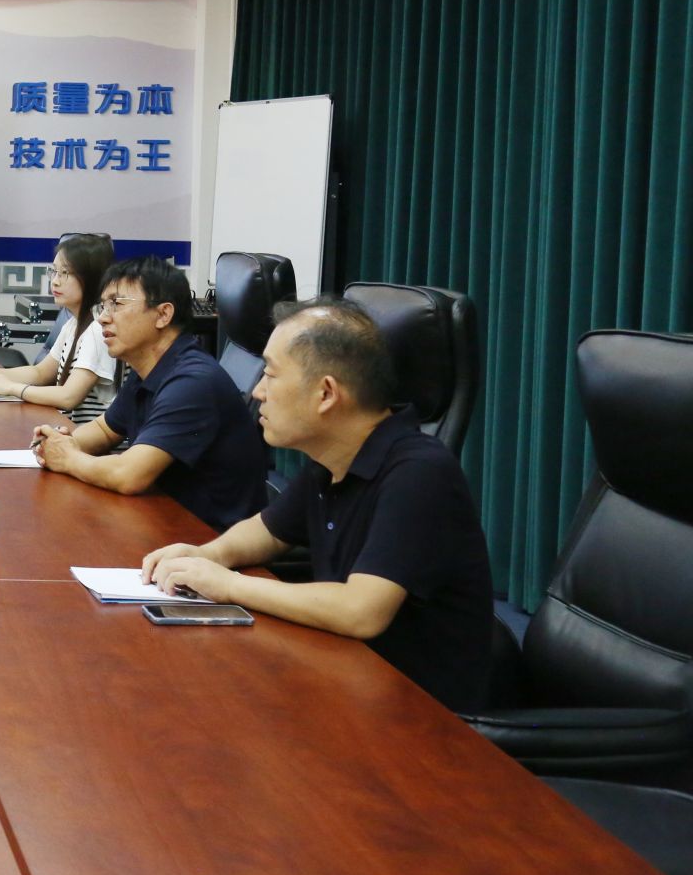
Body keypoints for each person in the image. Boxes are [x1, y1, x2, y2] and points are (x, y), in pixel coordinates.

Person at [141, 296, 495, 712]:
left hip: (420, 712)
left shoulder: (419, 472)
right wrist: (208, 555)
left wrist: (229, 586)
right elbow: (267, 531)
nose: (257, 391)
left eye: (271, 374)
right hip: (348, 676)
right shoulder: (332, 459)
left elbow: (361, 611)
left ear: (326, 393)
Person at [30, 256, 269, 529]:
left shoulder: (192, 381)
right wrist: (60, 442)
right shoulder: (147, 368)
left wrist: (68, 458)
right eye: (103, 306)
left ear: (163, 314)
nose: (103, 318)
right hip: (163, 519)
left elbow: (129, 475)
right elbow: (105, 431)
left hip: (207, 536)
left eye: (117, 304)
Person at [0, 233, 118, 422]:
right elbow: (40, 372)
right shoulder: (74, 324)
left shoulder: (98, 329)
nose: (55, 281)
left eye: (65, 273)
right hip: (65, 430)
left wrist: (12, 388)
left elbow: (68, 397)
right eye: (54, 271)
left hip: (87, 438)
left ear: (91, 278)